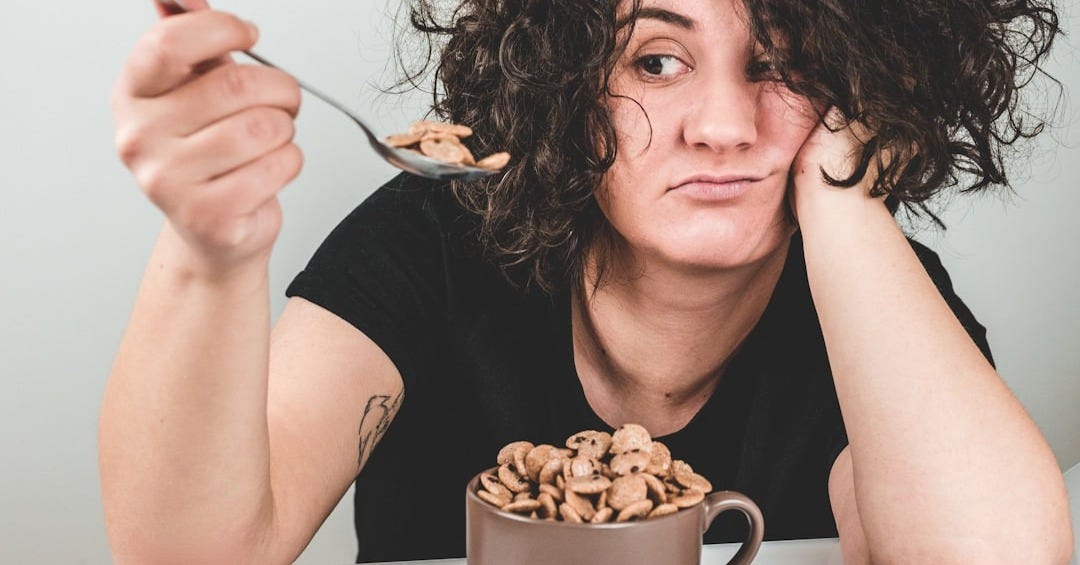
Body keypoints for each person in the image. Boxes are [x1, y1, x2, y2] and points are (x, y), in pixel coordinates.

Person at [100, 0, 1073, 563]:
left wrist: (849, 197)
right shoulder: (432, 242)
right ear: (565, 82)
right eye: (657, 60)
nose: (723, 125)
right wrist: (208, 250)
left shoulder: (874, 304)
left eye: (782, 64)